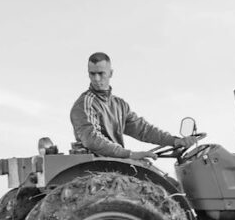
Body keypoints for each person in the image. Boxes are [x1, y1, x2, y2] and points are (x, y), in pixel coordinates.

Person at [70, 52, 198, 160]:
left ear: (111, 73)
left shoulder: (119, 105)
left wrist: (175, 141)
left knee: (170, 183)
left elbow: (143, 130)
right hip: (97, 166)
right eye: (92, 74)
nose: (97, 79)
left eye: (101, 73)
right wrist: (130, 154)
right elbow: (91, 139)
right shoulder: (85, 104)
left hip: (116, 161)